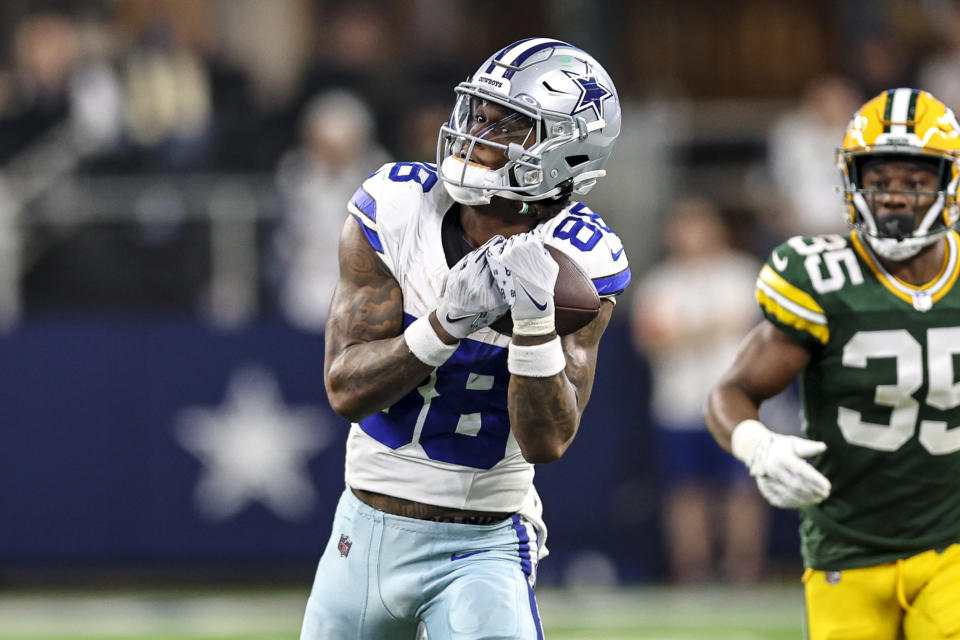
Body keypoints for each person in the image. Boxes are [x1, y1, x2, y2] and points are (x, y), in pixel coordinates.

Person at [300, 38, 630, 640]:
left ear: (571, 151)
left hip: (483, 545)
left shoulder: (581, 262)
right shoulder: (398, 207)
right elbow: (346, 390)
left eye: (510, 125)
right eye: (479, 115)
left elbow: (548, 441)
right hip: (362, 528)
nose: (477, 134)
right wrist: (442, 325)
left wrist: (533, 328)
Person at [705, 88, 960, 640]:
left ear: (947, 183)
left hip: (953, 546)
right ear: (853, 181)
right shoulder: (820, 278)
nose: (894, 197)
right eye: (880, 179)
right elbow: (732, 391)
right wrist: (758, 445)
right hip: (846, 546)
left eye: (914, 181)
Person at [632, 198, 768, 584]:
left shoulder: (742, 274)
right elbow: (651, 340)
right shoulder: (661, 282)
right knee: (685, 491)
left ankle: (744, 570)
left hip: (735, 400)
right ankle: (692, 571)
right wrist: (708, 329)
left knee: (741, 489)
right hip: (679, 403)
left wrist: (685, 333)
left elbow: (752, 328)